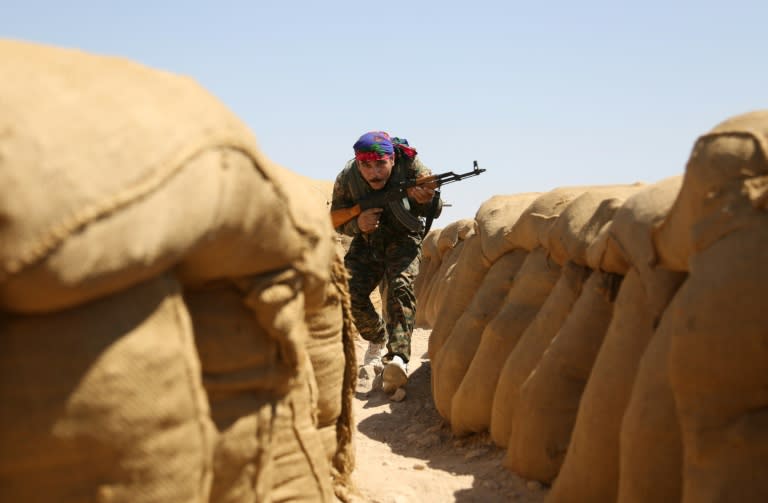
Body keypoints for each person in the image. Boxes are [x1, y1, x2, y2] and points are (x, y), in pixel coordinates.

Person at [331, 131, 441, 393]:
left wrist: (424, 199)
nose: (374, 172)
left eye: (381, 163)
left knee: (399, 287)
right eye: (366, 165)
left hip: (404, 238)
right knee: (346, 291)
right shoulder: (348, 178)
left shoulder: (413, 167)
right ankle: (378, 338)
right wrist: (357, 224)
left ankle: (398, 358)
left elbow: (434, 208)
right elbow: (335, 219)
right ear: (358, 163)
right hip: (367, 241)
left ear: (392, 160)